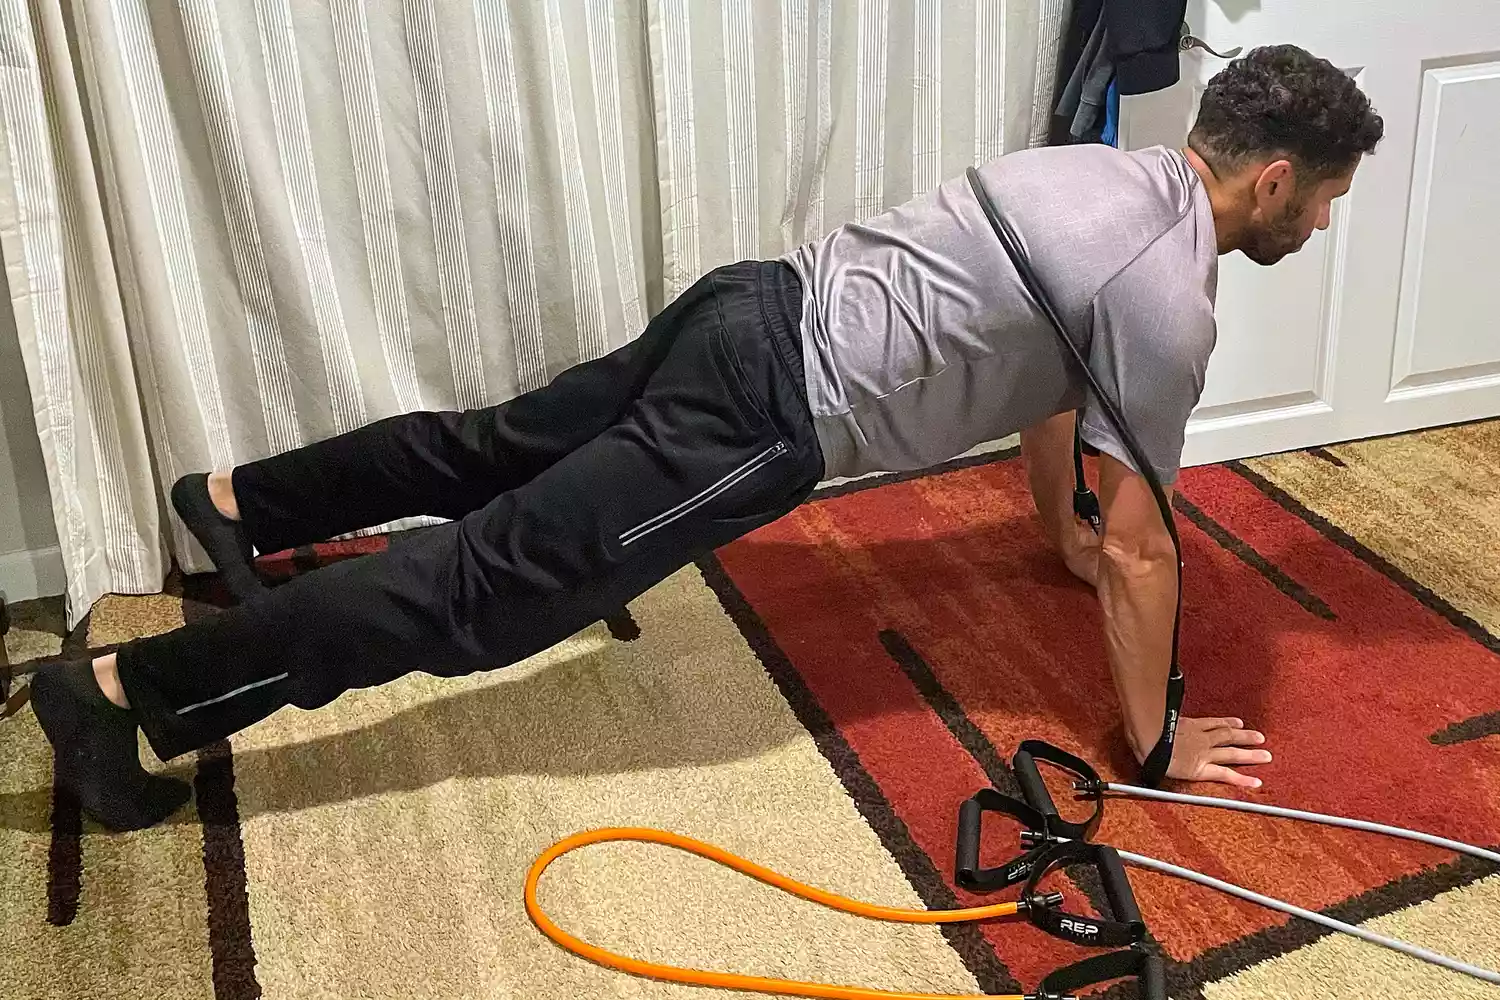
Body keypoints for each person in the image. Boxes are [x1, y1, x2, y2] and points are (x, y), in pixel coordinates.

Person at [16, 44, 1382, 831]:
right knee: (485, 590)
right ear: (1270, 178)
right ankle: (130, 695)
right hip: (766, 413)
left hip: (749, 302)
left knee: (495, 445)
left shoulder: (1100, 174)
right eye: (1319, 202)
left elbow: (1049, 377)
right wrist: (1151, 747)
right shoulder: (1170, 287)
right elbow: (1150, 556)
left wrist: (1053, 535)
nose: (1313, 229)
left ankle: (238, 499)